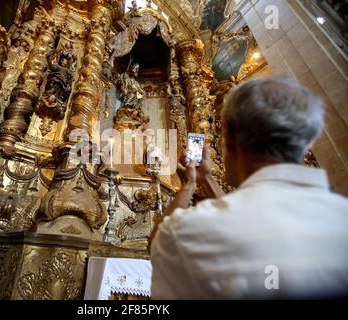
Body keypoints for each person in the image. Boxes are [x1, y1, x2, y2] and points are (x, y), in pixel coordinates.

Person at [149, 76, 348, 299]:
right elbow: (249, 214)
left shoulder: (190, 231)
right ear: (310, 142)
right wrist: (207, 180)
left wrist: (189, 184)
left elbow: (159, 246)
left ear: (228, 138)